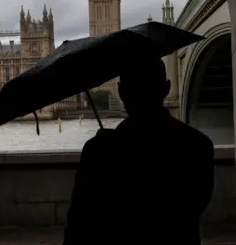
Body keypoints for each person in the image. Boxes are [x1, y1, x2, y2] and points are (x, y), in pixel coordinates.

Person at [63, 54, 214, 245]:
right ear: (166, 89)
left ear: (121, 92)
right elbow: (192, 209)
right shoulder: (199, 145)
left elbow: (78, 223)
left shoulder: (100, 150)